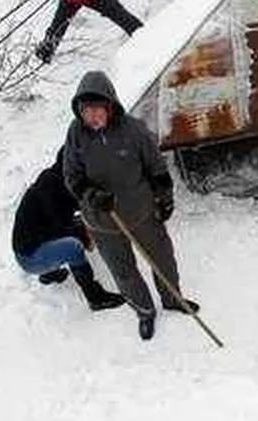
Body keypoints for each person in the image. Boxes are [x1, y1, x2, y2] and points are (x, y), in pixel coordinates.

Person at [64, 71, 198, 341]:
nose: (92, 116)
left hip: (141, 212)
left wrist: (165, 198)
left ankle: (173, 300)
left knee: (163, 259)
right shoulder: (76, 134)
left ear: (109, 105)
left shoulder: (133, 130)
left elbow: (156, 168)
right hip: (103, 221)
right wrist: (92, 195)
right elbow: (72, 177)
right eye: (86, 110)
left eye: (97, 109)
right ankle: (144, 311)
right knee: (123, 270)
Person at [12, 147, 127, 311]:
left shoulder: (60, 179)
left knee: (78, 226)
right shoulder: (52, 188)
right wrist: (85, 237)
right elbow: (61, 226)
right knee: (73, 247)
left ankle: (49, 273)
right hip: (30, 258)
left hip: (34, 242)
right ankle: (95, 297)